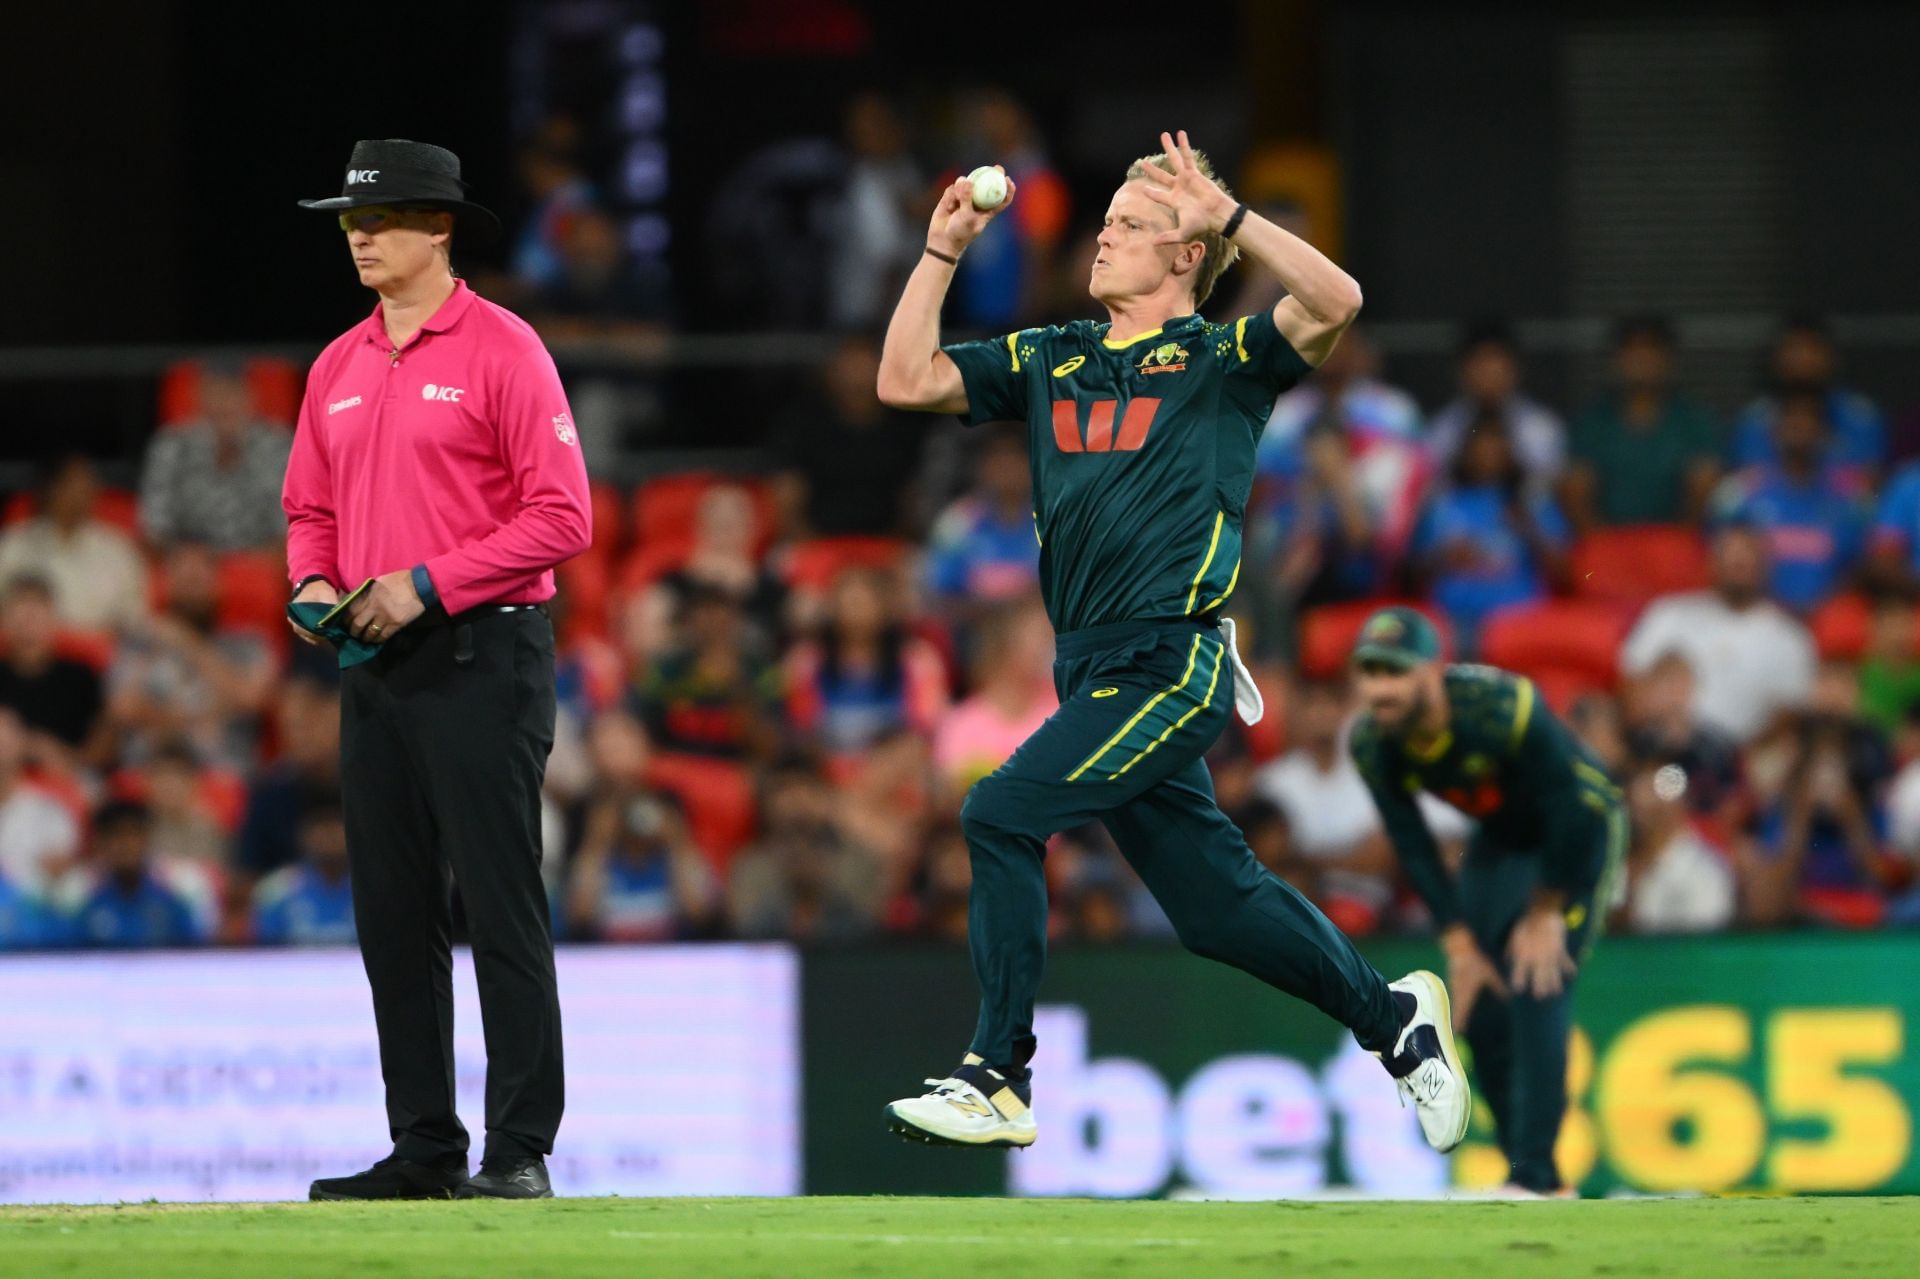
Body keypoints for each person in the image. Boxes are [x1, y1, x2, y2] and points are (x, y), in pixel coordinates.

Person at [872, 131, 1467, 1154]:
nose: (1105, 238)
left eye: (1134, 225)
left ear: (1187, 250)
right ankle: (1398, 1023)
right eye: (1106, 223)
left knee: (1000, 812)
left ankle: (997, 1074)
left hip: (1171, 660)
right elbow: (906, 380)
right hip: (1092, 668)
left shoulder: (1222, 362)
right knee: (1217, 908)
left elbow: (1338, 302)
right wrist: (942, 252)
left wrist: (1233, 218)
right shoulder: (1050, 356)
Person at [286, 139, 593, 1202]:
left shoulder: (505, 349)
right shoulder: (337, 364)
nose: (361, 234)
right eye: (352, 221)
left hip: (482, 649)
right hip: (374, 661)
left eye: (384, 217)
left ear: (442, 228)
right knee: (392, 909)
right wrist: (314, 584)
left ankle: (519, 1147)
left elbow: (564, 516)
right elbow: (307, 510)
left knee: (500, 900)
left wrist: (428, 581)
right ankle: (423, 1144)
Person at [1346, 607, 1627, 1196]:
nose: (1379, 688)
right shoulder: (1373, 743)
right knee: (1476, 1007)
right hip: (1500, 838)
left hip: (1577, 831)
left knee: (1536, 977)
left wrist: (1547, 911)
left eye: (1394, 672)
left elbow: (1573, 805)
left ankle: (1537, 1175)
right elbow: (1413, 844)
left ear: (1433, 671)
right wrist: (1458, 942)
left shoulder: (1501, 709)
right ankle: (1529, 1178)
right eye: (1369, 672)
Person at [1620, 524, 1817, 744]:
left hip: (1747, 758)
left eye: (1747, 557)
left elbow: (1791, 714)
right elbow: (1633, 678)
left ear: (1766, 566)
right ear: (1711, 562)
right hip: (1665, 746)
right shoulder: (1669, 613)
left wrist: (1740, 759)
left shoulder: (1790, 637)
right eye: (1730, 556)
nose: (1739, 563)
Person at [1710, 390, 1869, 612]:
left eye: (1809, 421)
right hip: (1757, 615)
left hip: (1828, 618)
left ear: (1825, 433)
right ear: (1775, 432)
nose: (1800, 428)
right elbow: (1720, 555)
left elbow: (1860, 564)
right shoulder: (1740, 490)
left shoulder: (1851, 495)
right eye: (1792, 421)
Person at [1563, 316, 1721, 530]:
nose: (1642, 358)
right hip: (1606, 543)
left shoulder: (1692, 420)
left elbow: (1705, 485)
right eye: (1632, 350)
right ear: (1617, 358)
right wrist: (1602, 544)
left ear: (1668, 359)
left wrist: (1680, 540)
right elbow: (1576, 490)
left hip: (1677, 543)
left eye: (1652, 350)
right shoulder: (1593, 421)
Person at [138, 358, 293, 551]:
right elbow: (154, 527)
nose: (224, 404)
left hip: (260, 558)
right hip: (191, 561)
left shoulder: (280, 447)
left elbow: (291, 525)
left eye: (232, 393)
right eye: (215, 393)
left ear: (251, 397)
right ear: (198, 399)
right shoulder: (171, 445)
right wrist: (185, 557)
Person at [0, 455, 149, 633]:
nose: (86, 490)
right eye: (74, 483)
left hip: (100, 653)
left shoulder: (118, 547)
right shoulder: (14, 544)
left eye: (89, 483)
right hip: (30, 653)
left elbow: (135, 618)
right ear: (50, 488)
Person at [1424, 321, 1567, 501]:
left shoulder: (1541, 426)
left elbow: (1549, 487)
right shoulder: (1442, 427)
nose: (1488, 374)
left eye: (1495, 363)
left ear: (1514, 368)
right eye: (1479, 363)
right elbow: (1433, 490)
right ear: (1461, 370)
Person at [70, 799, 207, 949]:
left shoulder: (171, 902)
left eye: (134, 834)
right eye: (117, 835)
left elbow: (194, 957)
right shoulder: (83, 902)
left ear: (147, 840)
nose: (127, 844)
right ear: (101, 843)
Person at [252, 792, 358, 946]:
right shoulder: (277, 891)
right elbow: (262, 950)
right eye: (321, 826)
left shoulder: (372, 888)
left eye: (336, 826)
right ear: (304, 834)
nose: (329, 835)